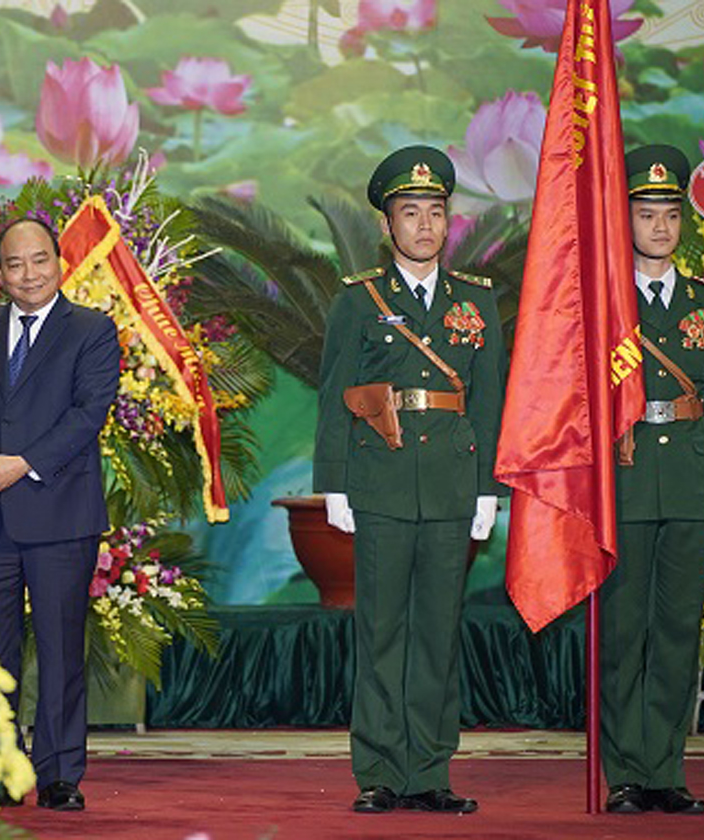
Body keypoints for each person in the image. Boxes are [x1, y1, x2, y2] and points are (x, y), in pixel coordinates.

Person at [313, 147, 506, 814]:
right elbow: (336, 392)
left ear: (449, 221)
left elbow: (489, 399)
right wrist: (334, 485)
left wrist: (488, 490)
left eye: (435, 211)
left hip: (453, 483)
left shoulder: (477, 303)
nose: (424, 224)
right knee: (383, 630)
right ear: (387, 225)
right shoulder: (360, 300)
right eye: (409, 212)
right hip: (383, 483)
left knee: (437, 629)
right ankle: (379, 771)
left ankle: (430, 771)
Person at [0, 217, 120, 811]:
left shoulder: (92, 330)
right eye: (15, 264)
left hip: (59, 513)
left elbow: (88, 412)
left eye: (40, 260)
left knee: (59, 647)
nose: (29, 274)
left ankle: (58, 774)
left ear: (59, 262)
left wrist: (20, 463)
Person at [599, 145, 704, 816]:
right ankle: (626, 769)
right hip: (623, 482)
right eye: (646, 213)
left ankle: (666, 769)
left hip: (689, 474)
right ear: (622, 218)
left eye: (669, 214)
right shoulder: (599, 306)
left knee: (678, 630)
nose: (659, 227)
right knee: (624, 632)